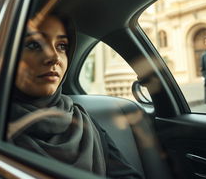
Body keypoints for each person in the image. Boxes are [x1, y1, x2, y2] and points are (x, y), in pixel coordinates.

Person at [8, 13, 142, 178]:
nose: (54, 57)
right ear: (6, 55)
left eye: (62, 46)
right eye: (34, 45)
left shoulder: (82, 120)